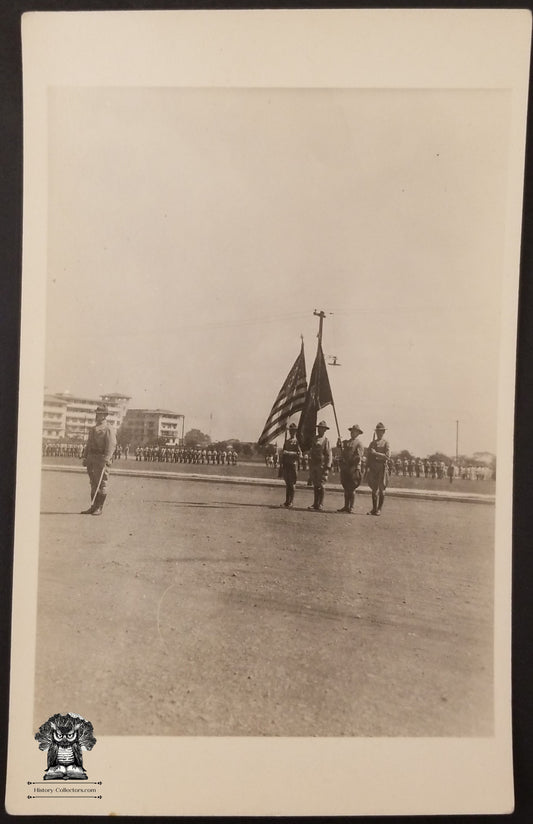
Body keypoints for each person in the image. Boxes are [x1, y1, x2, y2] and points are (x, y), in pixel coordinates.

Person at [80, 404, 117, 515]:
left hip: (101, 459)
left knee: (102, 483)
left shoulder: (108, 428)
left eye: (99, 414)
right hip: (92, 458)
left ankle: (99, 508)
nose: (97, 415)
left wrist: (106, 459)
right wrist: (85, 457)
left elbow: (111, 445)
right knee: (93, 483)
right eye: (96, 413)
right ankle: (93, 506)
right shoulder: (93, 428)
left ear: (105, 415)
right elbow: (88, 444)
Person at [337, 424, 364, 513]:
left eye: (355, 431)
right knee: (345, 488)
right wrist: (339, 442)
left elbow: (358, 456)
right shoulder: (346, 442)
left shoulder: (359, 443)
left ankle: (351, 507)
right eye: (352, 431)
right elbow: (340, 449)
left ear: (358, 433)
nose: (353, 433)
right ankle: (346, 506)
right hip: (345, 468)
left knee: (352, 488)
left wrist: (352, 464)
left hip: (354, 468)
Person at [307, 420, 333, 511]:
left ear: (325, 430)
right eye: (319, 428)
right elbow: (311, 451)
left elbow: (329, 454)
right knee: (315, 484)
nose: (320, 430)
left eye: (322, 429)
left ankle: (320, 504)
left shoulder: (326, 440)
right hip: (314, 464)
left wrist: (327, 467)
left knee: (321, 485)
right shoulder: (314, 439)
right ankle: (315, 503)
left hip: (322, 466)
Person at [366, 422, 391, 516]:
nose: (379, 433)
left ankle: (379, 509)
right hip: (373, 467)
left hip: (382, 468)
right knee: (373, 489)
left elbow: (387, 456)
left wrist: (375, 453)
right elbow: (369, 456)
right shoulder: (372, 443)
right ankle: (374, 508)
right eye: (377, 431)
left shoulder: (386, 443)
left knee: (381, 489)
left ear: (383, 432)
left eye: (381, 431)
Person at [279, 423, 303, 508]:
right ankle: (287, 501)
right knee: (287, 484)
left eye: (293, 431)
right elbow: (283, 453)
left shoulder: (297, 442)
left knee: (292, 484)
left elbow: (300, 454)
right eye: (290, 431)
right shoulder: (287, 441)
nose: (292, 432)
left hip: (293, 465)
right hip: (286, 464)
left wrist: (288, 453)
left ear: (296, 432)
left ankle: (291, 502)